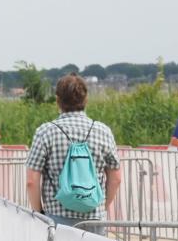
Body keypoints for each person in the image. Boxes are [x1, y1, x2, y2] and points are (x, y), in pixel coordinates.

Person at [25, 74, 121, 228]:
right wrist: (102, 206)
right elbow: (116, 178)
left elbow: (31, 181)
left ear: (57, 100)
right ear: (86, 99)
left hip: (57, 218)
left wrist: (39, 213)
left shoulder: (45, 132)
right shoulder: (103, 131)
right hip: (95, 218)